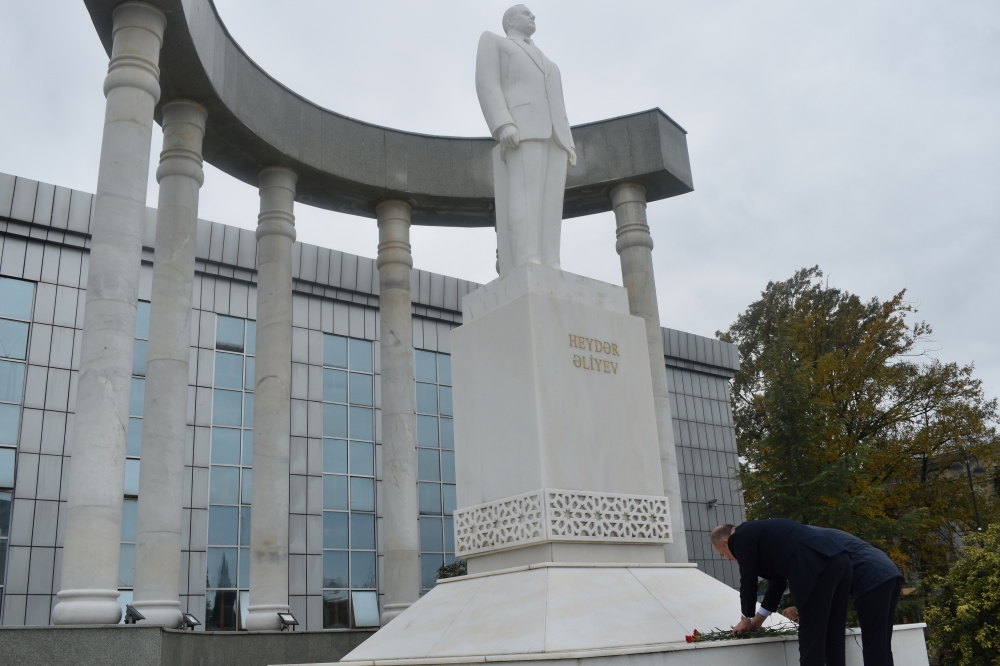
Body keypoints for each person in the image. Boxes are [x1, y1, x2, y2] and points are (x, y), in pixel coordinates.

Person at [475, 4, 577, 275]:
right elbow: (486, 83)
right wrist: (503, 123)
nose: (532, 16)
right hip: (522, 128)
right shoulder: (495, 42)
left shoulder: (550, 63)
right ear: (509, 20)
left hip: (555, 135)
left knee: (552, 203)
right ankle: (527, 257)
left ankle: (551, 262)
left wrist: (568, 141)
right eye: (525, 13)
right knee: (525, 194)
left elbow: (559, 104)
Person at [711, 519, 853, 666]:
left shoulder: (739, 538)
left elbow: (748, 580)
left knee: (811, 637)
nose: (728, 559)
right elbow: (778, 582)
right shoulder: (759, 535)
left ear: (726, 542)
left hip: (815, 565)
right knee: (834, 633)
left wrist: (745, 619)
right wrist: (757, 621)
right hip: (841, 561)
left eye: (723, 554)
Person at [782, 528, 904, 666]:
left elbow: (819, 580)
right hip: (889, 571)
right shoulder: (814, 535)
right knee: (882, 644)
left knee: (874, 645)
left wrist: (799, 609)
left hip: (870, 575)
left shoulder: (804, 542)